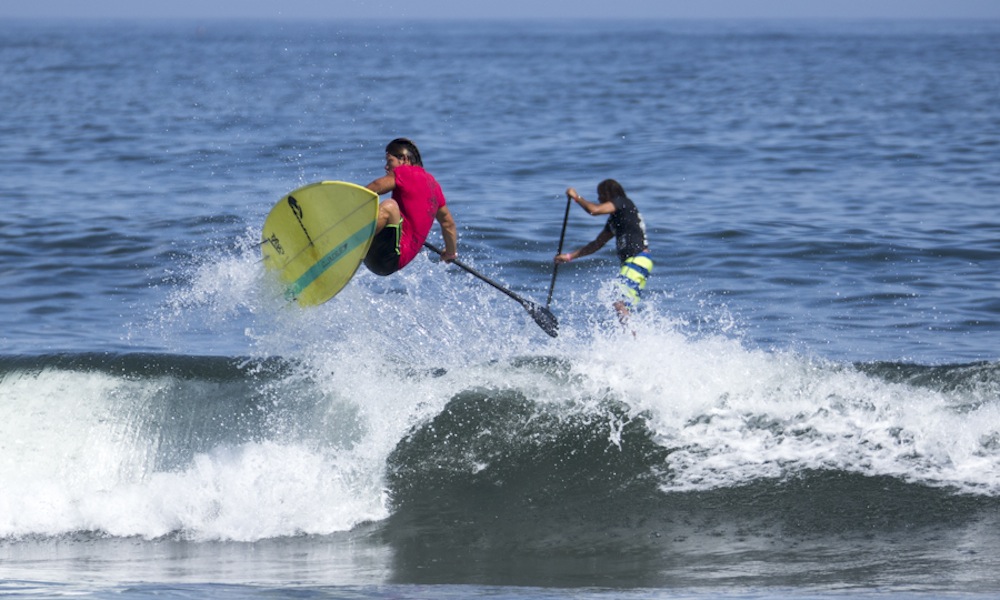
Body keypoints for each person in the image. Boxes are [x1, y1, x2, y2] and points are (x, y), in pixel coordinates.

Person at [554, 179, 652, 319]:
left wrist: (576, 197)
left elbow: (594, 210)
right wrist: (569, 257)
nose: (599, 198)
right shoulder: (615, 220)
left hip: (637, 260)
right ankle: (634, 337)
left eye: (600, 195)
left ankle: (632, 335)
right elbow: (596, 244)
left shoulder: (623, 202)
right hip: (637, 262)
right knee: (623, 305)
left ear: (608, 194)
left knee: (617, 299)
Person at [363, 138, 458, 276]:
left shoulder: (406, 171)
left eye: (389, 161)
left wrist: (351, 201)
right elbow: (448, 224)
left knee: (389, 207)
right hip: (389, 264)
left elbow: (376, 186)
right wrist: (450, 253)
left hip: (389, 255)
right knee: (390, 211)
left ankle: (348, 240)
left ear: (404, 160)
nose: (386, 167)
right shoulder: (435, 187)